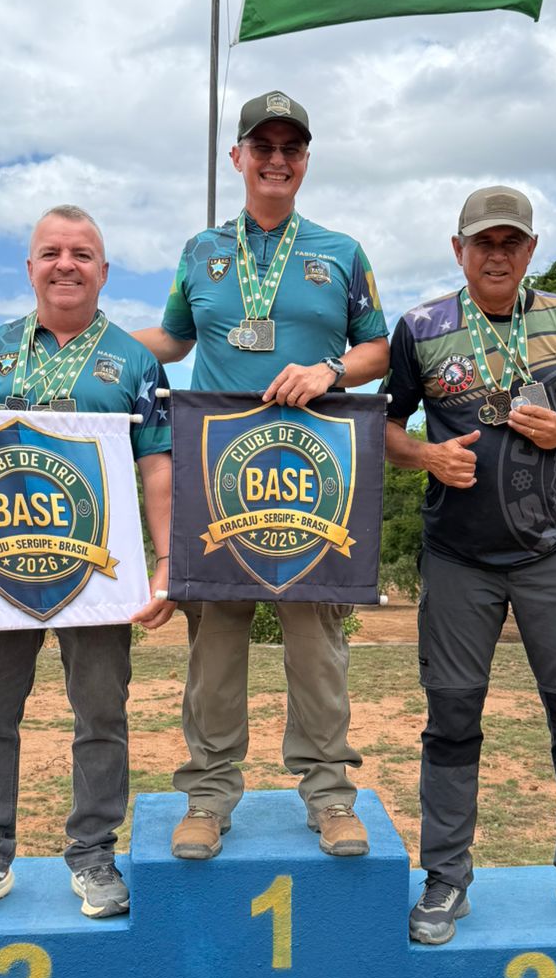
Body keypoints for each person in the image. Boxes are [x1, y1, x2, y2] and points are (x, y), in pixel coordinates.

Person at [0, 204, 174, 923]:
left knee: (102, 714)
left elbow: (157, 466)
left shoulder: (136, 361)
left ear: (104, 271)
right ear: (29, 268)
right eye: (51, 252)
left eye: (81, 254)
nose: (65, 265)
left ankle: (94, 854)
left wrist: (167, 560)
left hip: (96, 569)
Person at [134, 91, 389, 860]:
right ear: (237, 157)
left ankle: (329, 796)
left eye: (291, 148)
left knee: (317, 645)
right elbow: (173, 340)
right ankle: (209, 796)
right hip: (220, 477)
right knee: (215, 646)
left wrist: (329, 369)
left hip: (313, 480)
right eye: (263, 146)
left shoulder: (341, 252)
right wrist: (90, 343)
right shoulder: (201, 251)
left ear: (305, 160)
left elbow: (378, 350)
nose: (277, 159)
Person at [384, 186, 556, 946]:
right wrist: (426, 456)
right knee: (451, 718)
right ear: (458, 250)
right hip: (457, 556)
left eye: (511, 242)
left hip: (551, 551)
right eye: (482, 242)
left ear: (530, 249)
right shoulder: (420, 328)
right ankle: (446, 877)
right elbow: (384, 429)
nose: (496, 255)